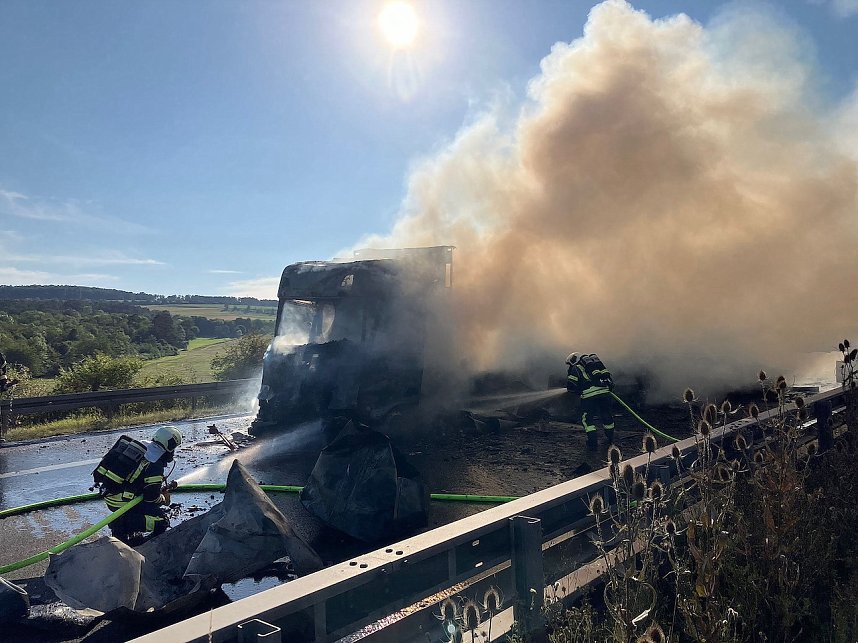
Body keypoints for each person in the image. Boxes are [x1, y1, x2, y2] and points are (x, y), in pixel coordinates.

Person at [103, 425, 182, 544]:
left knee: (149, 509)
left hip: (111, 496)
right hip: (123, 503)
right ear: (170, 446)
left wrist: (156, 488)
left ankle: (126, 526)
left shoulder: (142, 447)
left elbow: (137, 479)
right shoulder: (155, 462)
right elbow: (151, 498)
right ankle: (122, 524)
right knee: (161, 521)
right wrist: (163, 498)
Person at [566, 352, 615, 451]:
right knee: (606, 415)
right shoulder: (596, 367)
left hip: (589, 396)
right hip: (604, 393)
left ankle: (592, 443)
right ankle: (610, 438)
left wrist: (578, 391)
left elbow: (571, 386)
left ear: (572, 361)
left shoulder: (575, 368)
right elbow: (610, 381)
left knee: (587, 419)